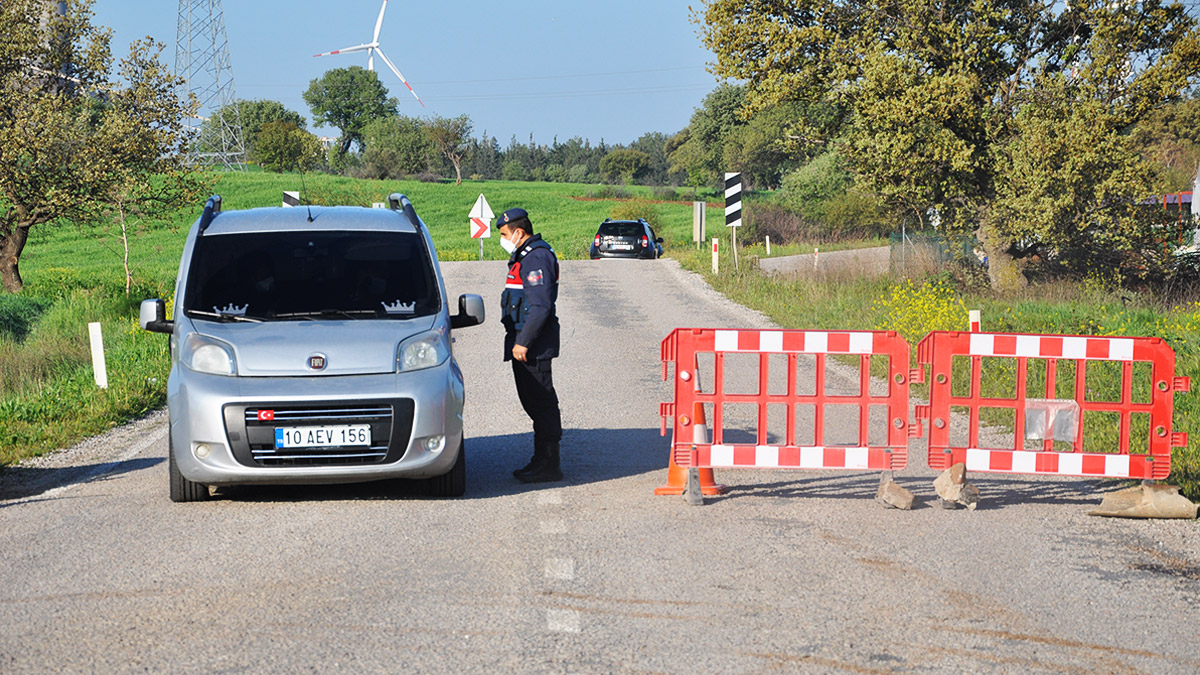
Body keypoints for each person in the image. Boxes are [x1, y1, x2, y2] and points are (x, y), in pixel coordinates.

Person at [497, 207, 563, 483]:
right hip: (525, 341)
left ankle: (549, 464)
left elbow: (540, 307)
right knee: (533, 403)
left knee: (541, 402)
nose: (502, 239)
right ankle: (540, 459)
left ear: (519, 232)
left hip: (532, 344)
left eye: (504, 234)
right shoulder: (525, 256)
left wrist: (523, 342)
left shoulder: (537, 257)